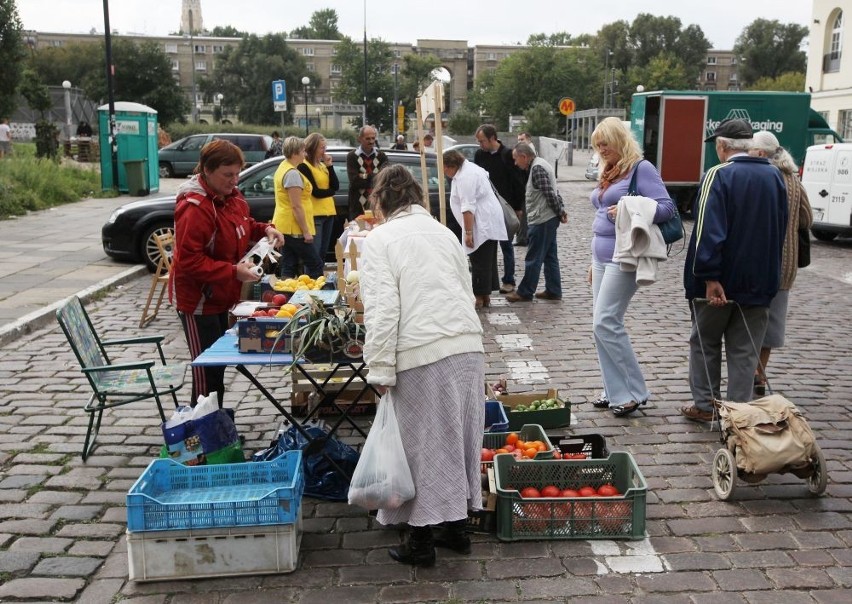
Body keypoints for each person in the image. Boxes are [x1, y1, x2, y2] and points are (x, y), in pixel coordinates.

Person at [359, 164, 486, 567]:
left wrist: (378, 368)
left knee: (419, 446)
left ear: (381, 200)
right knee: (459, 440)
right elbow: (463, 288)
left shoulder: (380, 239)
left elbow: (381, 309)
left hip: (422, 349)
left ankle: (420, 541)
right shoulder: (443, 232)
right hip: (466, 346)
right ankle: (457, 528)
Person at [681, 119, 788, 422]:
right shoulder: (774, 176)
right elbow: (780, 230)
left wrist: (709, 276)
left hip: (720, 282)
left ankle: (706, 405)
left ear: (723, 146)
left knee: (706, 342)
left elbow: (708, 232)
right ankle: (739, 412)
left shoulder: (719, 174)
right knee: (745, 350)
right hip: (760, 280)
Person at [169, 140, 284, 406]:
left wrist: (265, 229)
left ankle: (216, 426)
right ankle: (201, 435)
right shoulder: (195, 208)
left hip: (223, 295)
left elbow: (243, 225)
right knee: (206, 373)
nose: (234, 180)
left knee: (218, 367)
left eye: (237, 174)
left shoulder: (230, 197)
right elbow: (188, 261)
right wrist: (233, 271)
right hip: (198, 301)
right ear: (207, 171)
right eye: (227, 175)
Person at [587, 117, 677, 417]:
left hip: (623, 255)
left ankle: (634, 392)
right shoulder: (609, 171)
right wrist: (591, 261)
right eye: (597, 144)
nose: (601, 149)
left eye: (605, 143)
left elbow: (666, 208)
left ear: (620, 140)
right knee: (600, 327)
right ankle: (613, 390)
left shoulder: (641, 168)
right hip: (601, 255)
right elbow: (601, 210)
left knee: (606, 322)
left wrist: (629, 205)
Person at [749, 130, 813, 396]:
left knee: (749, 320)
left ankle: (744, 372)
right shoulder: (794, 181)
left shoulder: (761, 177)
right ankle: (759, 374)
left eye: (752, 149)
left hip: (757, 263)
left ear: (762, 153)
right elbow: (806, 219)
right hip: (785, 265)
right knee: (772, 324)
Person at [443, 149, 508, 309]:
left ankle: (480, 296)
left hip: (482, 222)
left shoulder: (466, 176)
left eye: (444, 168)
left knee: (479, 259)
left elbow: (467, 207)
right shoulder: (468, 170)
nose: (444, 172)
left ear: (451, 165)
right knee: (486, 259)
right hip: (486, 219)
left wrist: (469, 232)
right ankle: (485, 294)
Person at [505, 143, 567, 303]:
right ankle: (554, 290)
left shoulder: (537, 168)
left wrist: (560, 212)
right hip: (547, 218)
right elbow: (553, 191)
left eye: (516, 159)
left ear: (524, 157)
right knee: (550, 256)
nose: (515, 163)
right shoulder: (539, 165)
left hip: (542, 219)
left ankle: (525, 292)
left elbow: (549, 194)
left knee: (534, 257)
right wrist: (560, 211)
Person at [474, 124, 526, 295]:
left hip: (505, 207)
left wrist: (518, 207)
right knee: (486, 246)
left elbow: (517, 182)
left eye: (483, 141)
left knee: (506, 245)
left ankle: (509, 280)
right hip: (485, 208)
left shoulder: (507, 155)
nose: (481, 145)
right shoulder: (480, 155)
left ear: (492, 138)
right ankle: (488, 282)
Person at [272, 136, 325, 279]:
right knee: (315, 264)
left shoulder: (283, 167)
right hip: (294, 228)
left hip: (284, 226)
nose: (305, 154)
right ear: (295, 153)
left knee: (289, 264)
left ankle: (286, 294)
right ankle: (316, 297)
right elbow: (296, 206)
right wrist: (306, 232)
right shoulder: (292, 174)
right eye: (303, 151)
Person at [298, 132, 339, 259]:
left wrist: (330, 166)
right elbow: (315, 192)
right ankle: (311, 277)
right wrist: (331, 191)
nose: (324, 151)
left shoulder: (322, 166)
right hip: (315, 214)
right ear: (313, 148)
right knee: (314, 253)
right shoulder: (304, 166)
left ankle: (319, 277)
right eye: (321, 148)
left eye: (325, 148)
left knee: (322, 252)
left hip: (329, 212)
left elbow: (335, 185)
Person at [347, 125, 387, 220]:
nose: (371, 141)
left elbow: (384, 179)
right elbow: (354, 182)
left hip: (378, 204)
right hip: (358, 206)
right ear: (360, 138)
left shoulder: (381, 156)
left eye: (373, 138)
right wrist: (376, 177)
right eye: (368, 138)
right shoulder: (352, 156)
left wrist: (364, 176)